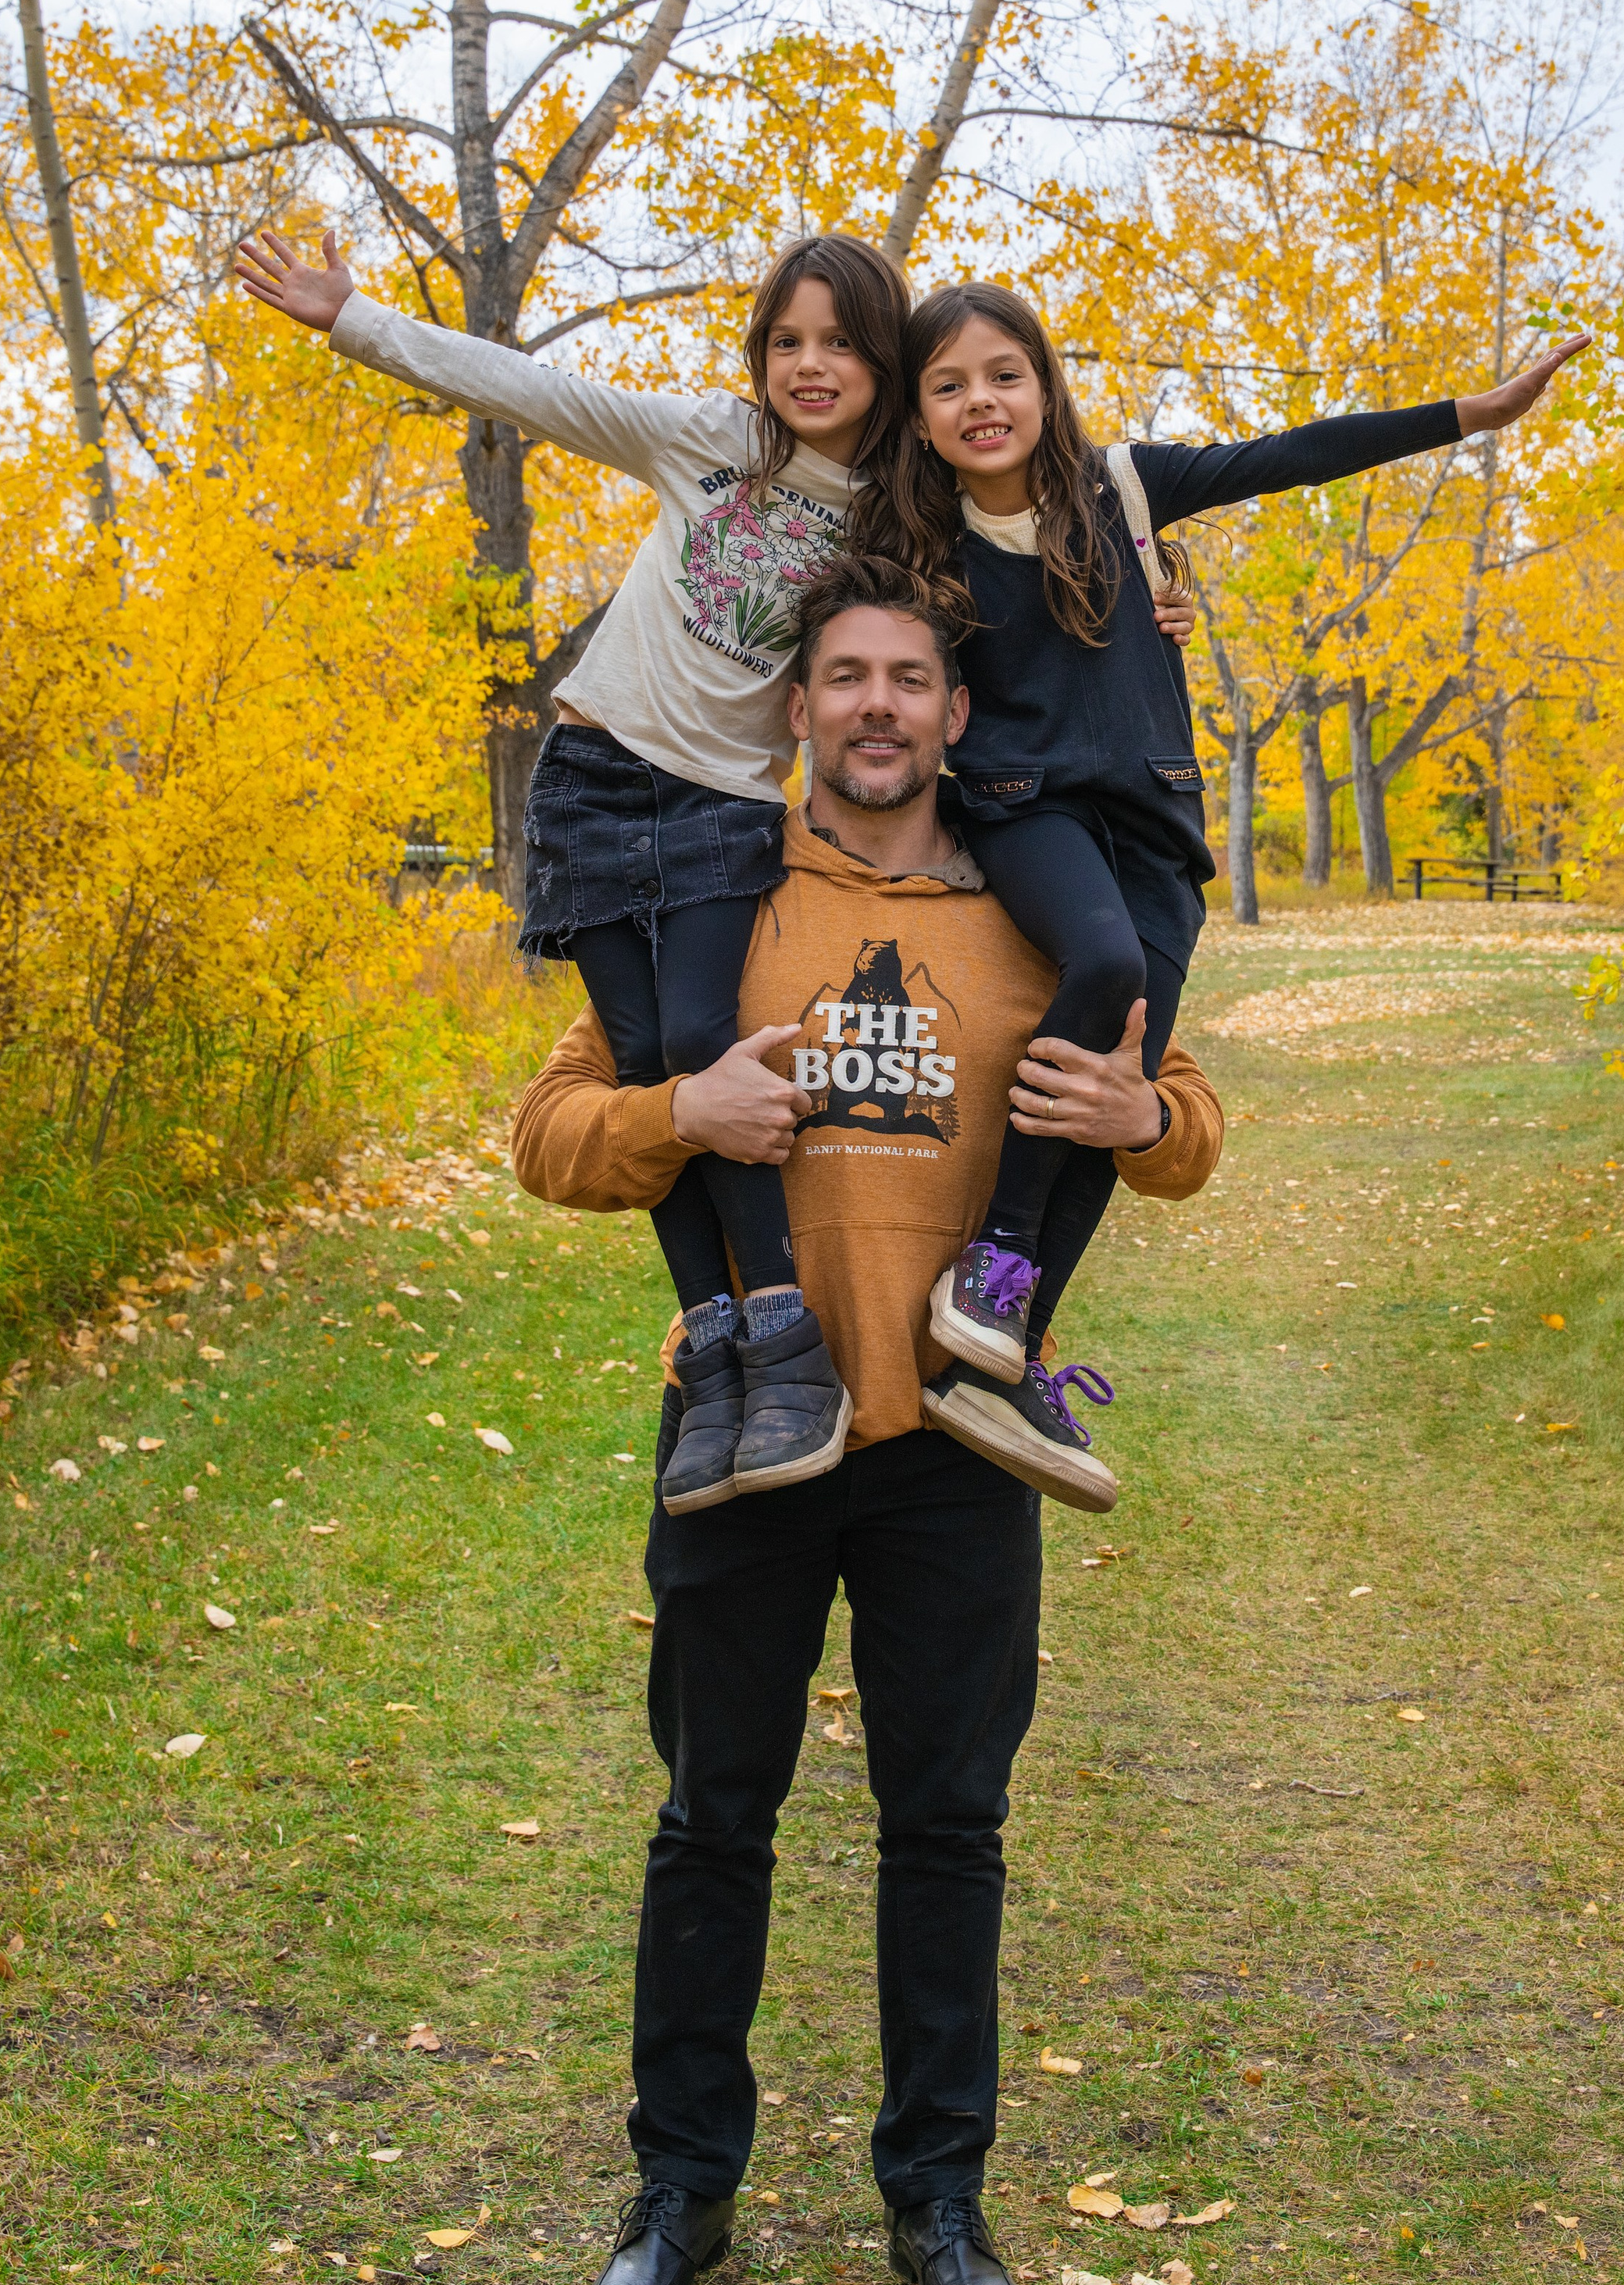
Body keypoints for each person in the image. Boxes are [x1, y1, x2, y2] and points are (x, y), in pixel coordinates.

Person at [507, 551, 1226, 2285]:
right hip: (752, 1422)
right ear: (799, 706)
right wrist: (685, 1110)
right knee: (710, 1819)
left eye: (910, 676)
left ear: (956, 708)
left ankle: (938, 2194)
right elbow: (549, 1128)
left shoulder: (1037, 902)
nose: (879, 706)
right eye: (845, 676)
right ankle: (680, 2190)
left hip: (958, 1443)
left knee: (948, 1824)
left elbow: (1188, 1118)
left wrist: (1145, 1116)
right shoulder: (719, 890)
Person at [233, 229, 1197, 1512]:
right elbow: (531, 389)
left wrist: (1153, 597)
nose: (811, 366)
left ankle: (899, 1333)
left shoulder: (904, 523)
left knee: (699, 1032)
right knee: (661, 1068)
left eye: (844, 344)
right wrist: (353, 319)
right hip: (595, 776)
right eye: (786, 341)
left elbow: (1029, 575)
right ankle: (736, 1342)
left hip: (725, 811)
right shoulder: (707, 443)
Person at [848, 284, 1591, 1478]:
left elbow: (1297, 454)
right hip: (1023, 806)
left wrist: (1474, 412)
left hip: (1155, 819)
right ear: (921, 416)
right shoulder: (917, 547)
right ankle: (990, 1282)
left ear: (1045, 384)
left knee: (1127, 1064)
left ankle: (998, 1359)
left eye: (1003, 374)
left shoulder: (1128, 492)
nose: (980, 401)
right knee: (1104, 964)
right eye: (948, 385)